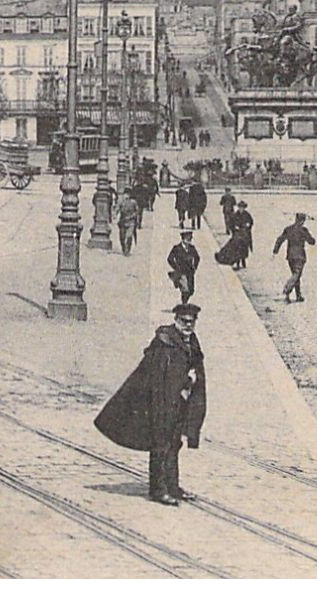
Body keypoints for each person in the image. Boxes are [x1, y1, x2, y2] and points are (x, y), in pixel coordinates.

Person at [94, 304, 206, 507]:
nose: (188, 325)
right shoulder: (164, 342)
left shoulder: (191, 341)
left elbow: (194, 367)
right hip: (162, 402)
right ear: (177, 320)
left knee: (174, 444)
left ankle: (173, 486)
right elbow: (156, 378)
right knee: (161, 444)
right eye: (184, 321)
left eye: (192, 322)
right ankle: (158, 489)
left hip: (181, 402)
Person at [274, 213, 316, 303]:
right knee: (297, 274)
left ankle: (298, 295)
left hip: (290, 256)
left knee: (296, 274)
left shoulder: (288, 229)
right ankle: (287, 289)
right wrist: (312, 239)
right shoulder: (303, 230)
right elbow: (311, 241)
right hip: (300, 256)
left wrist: (275, 250)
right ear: (302, 221)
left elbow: (280, 239)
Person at [166, 230, 199, 304]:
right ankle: (184, 303)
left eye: (190, 239)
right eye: (188, 239)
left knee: (191, 290)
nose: (189, 241)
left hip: (190, 272)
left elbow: (197, 257)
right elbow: (169, 259)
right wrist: (176, 267)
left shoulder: (192, 248)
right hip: (181, 272)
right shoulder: (177, 248)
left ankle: (185, 301)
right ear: (183, 239)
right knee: (185, 289)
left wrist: (195, 267)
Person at [116, 190, 140, 256]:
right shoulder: (121, 201)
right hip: (122, 221)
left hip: (131, 222)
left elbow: (137, 211)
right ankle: (123, 248)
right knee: (122, 237)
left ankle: (128, 249)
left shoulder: (133, 202)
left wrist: (132, 216)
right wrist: (115, 214)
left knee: (129, 236)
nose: (126, 196)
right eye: (125, 194)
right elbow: (117, 208)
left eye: (127, 194)